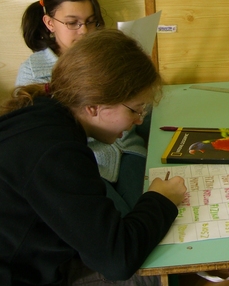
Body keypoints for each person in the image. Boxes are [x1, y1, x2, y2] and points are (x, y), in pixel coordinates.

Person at [0, 29, 187, 285]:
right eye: (134, 109)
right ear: (93, 107)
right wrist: (160, 200)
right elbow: (117, 260)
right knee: (153, 275)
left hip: (36, 254)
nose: (138, 120)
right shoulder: (57, 153)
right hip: (23, 275)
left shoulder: (45, 112)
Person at [16, 0, 149, 216]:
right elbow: (43, 139)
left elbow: (137, 107)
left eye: (90, 22)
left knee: (145, 209)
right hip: (88, 162)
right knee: (121, 221)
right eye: (72, 23)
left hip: (128, 149)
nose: (84, 31)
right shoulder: (33, 71)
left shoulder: (105, 53)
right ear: (49, 22)